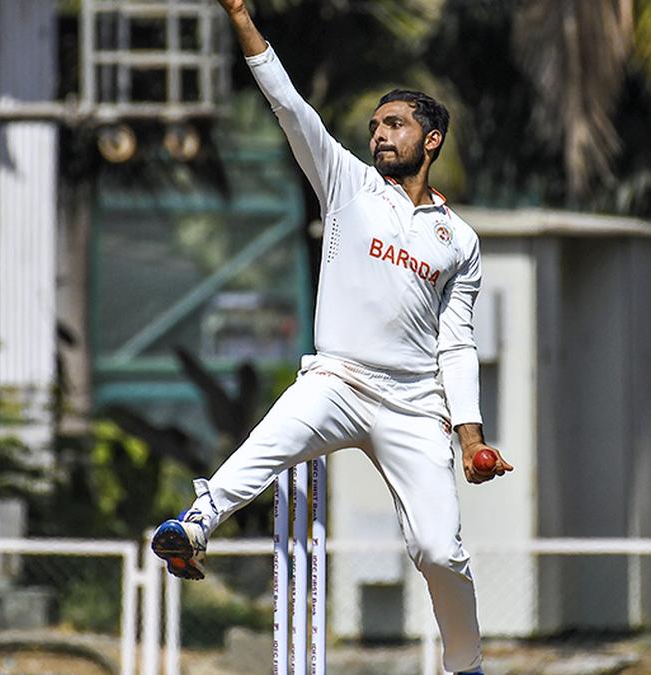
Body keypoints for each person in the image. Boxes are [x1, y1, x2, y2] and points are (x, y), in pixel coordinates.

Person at [151, 1, 512, 672]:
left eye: (395, 125)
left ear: (430, 140)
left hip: (412, 405)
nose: (379, 135)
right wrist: (242, 19)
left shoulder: (458, 240)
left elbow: (456, 343)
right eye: (375, 125)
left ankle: (466, 666)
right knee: (266, 444)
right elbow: (288, 104)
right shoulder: (345, 184)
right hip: (337, 378)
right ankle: (193, 527)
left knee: (440, 550)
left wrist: (472, 439)